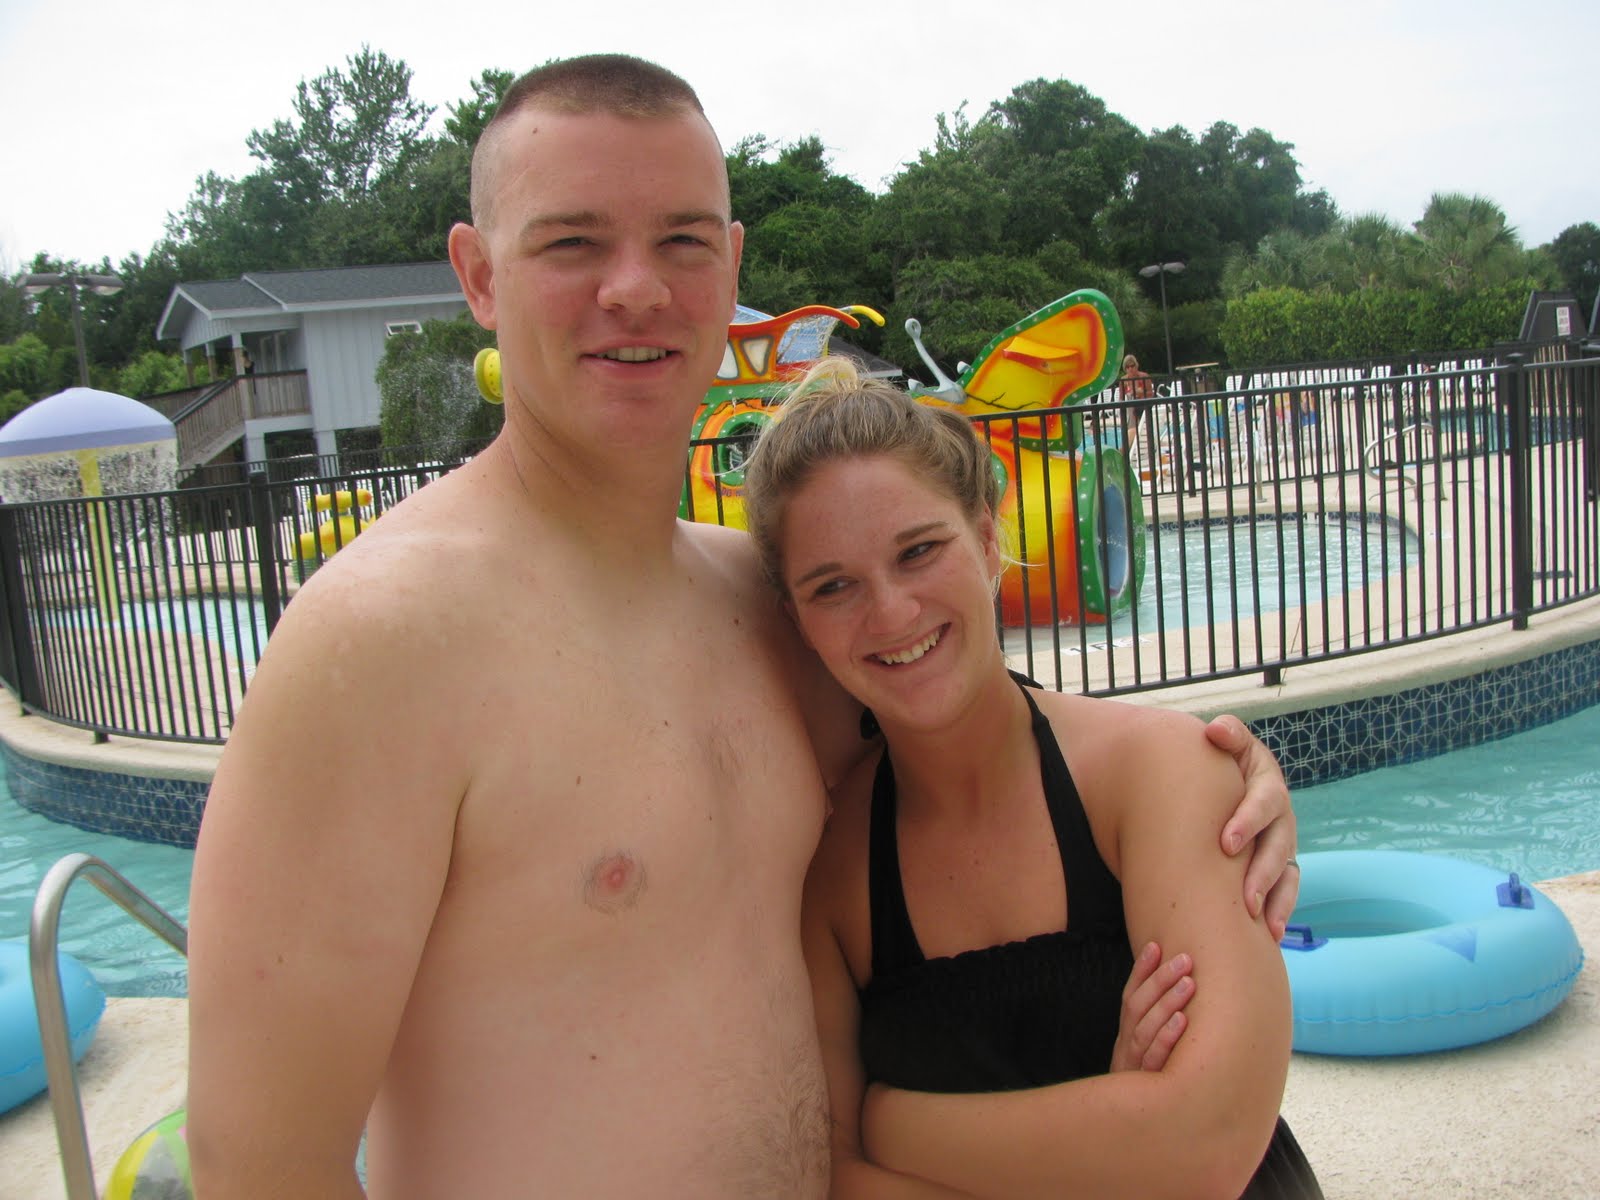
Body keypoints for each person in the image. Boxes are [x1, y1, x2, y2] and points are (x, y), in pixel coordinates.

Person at [185, 54, 1301, 1198]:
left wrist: (1226, 778)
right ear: (477, 275)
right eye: (572, 242)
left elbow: (974, 751)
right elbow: (258, 1162)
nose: (636, 288)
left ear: (729, 267)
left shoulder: (766, 609)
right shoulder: (381, 643)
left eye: (681, 241)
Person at [742, 361, 1322, 1198]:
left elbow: (1210, 1144)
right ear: (796, 620)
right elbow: (837, 1180)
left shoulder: (1156, 774)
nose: (892, 612)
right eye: (833, 586)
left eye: (919, 551)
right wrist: (1120, 1133)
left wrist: (892, 1122)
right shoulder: (829, 873)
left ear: (986, 539)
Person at [1120, 351, 1158, 452]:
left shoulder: (1144, 377)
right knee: (1132, 426)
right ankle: (1127, 449)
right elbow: (1121, 399)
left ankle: (1124, 451)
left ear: (1136, 366)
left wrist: (1141, 393)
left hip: (1143, 407)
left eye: (1132, 366)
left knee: (1135, 429)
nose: (1130, 369)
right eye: (1127, 367)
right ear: (1125, 369)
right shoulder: (1124, 380)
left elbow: (1151, 394)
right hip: (1131, 409)